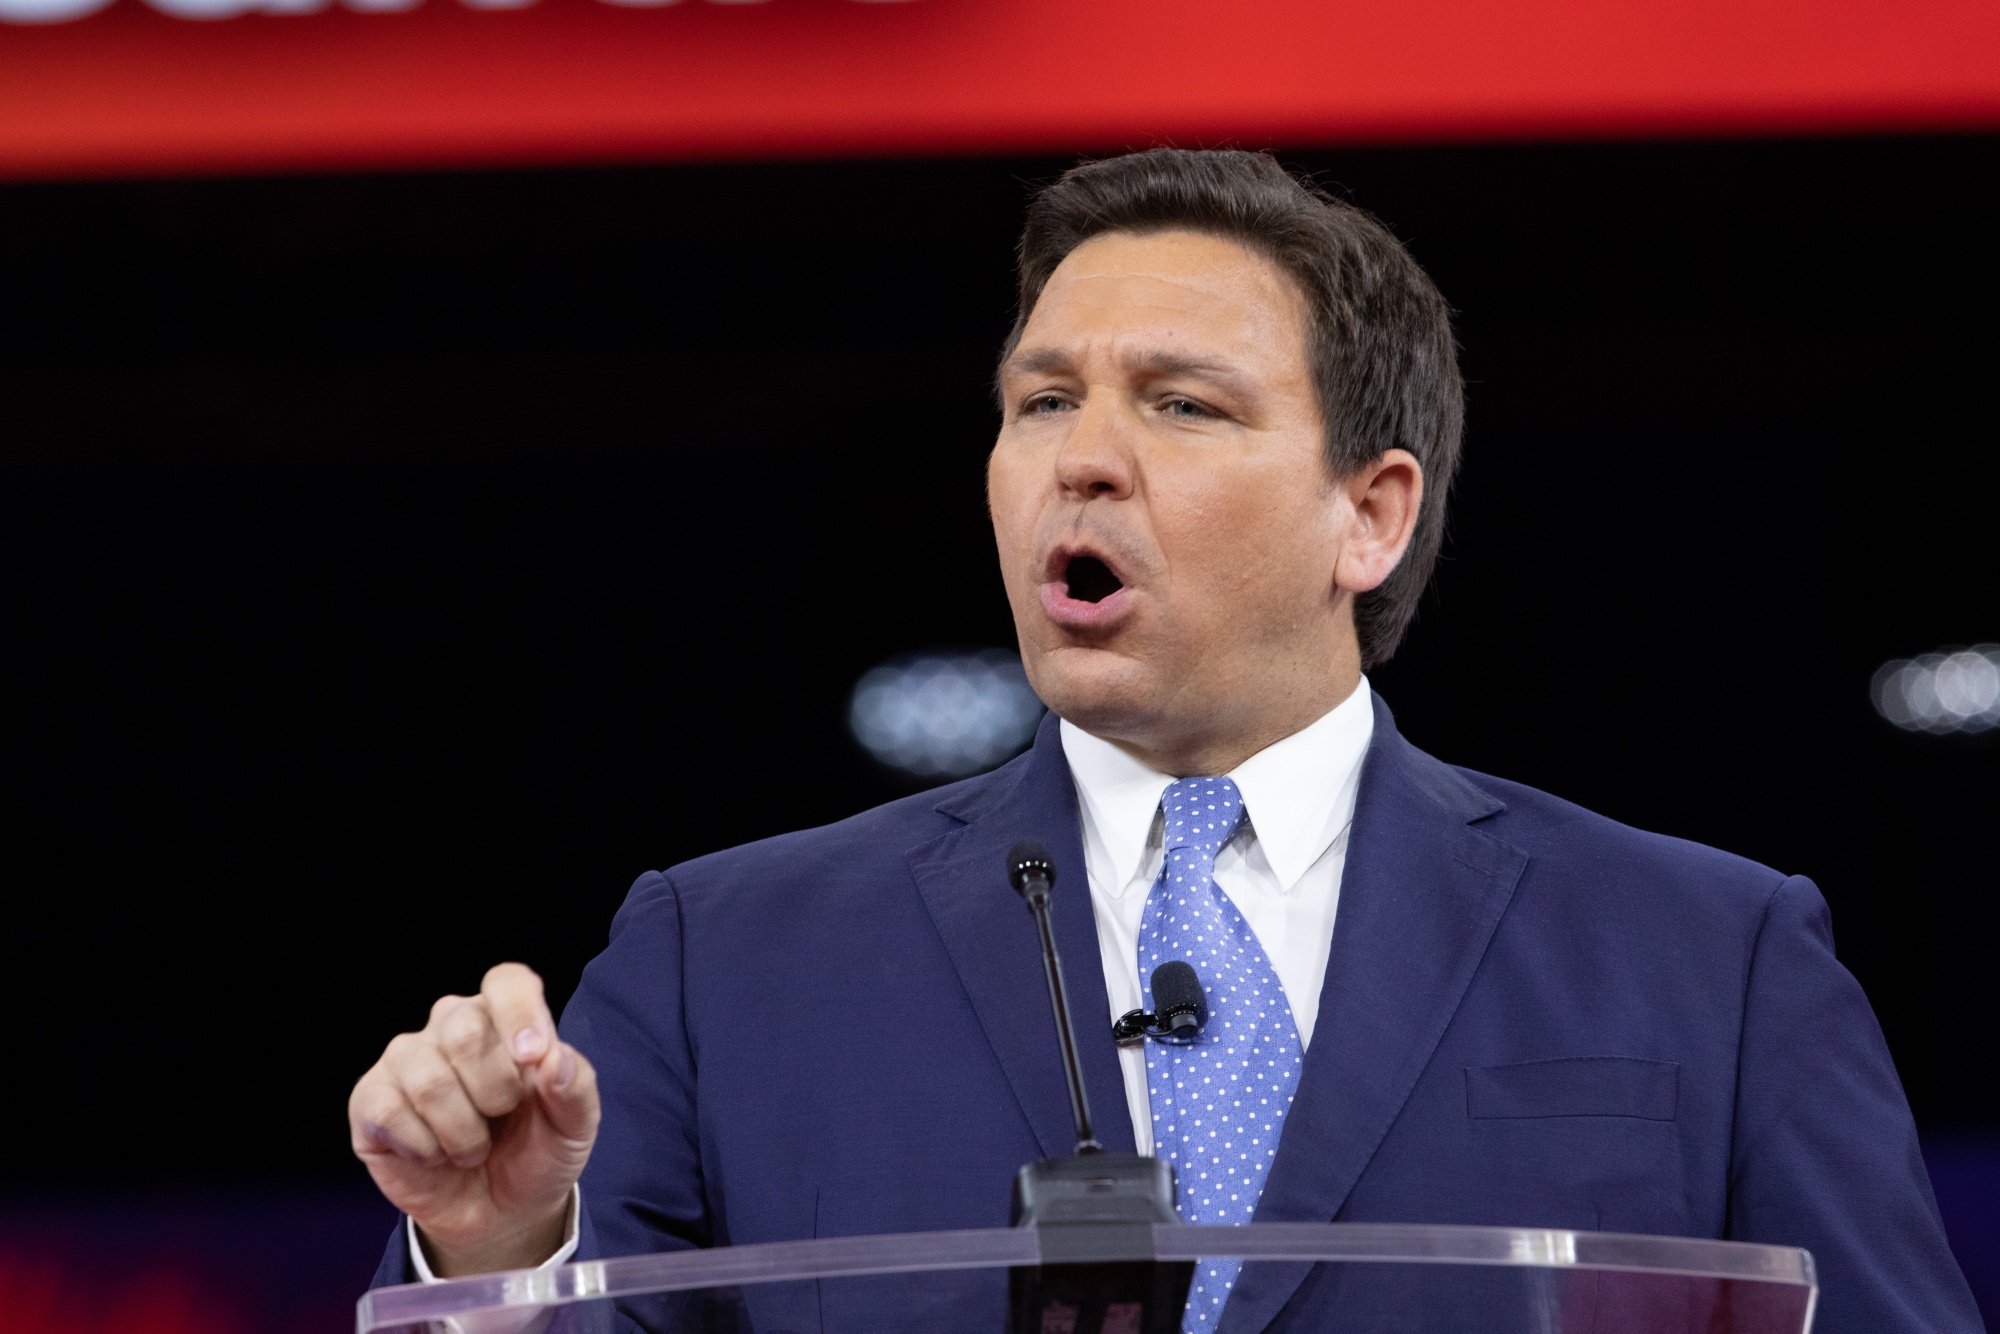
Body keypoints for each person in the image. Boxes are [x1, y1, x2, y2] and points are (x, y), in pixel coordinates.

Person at [350, 149, 1981, 1333]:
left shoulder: (1710, 954)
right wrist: (497, 1255)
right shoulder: (724, 956)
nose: (1083, 456)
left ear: (1371, 513)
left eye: (1183, 403)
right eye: (1042, 399)